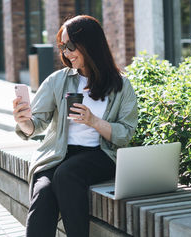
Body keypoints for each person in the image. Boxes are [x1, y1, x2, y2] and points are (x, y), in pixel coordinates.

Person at [13, 15, 138, 237]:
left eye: (70, 46)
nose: (66, 53)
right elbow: (37, 125)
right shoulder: (57, 80)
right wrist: (24, 121)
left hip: (100, 155)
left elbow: (125, 134)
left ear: (89, 44)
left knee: (67, 175)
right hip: (58, 153)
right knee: (43, 192)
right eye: (63, 47)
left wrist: (94, 121)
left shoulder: (121, 86)